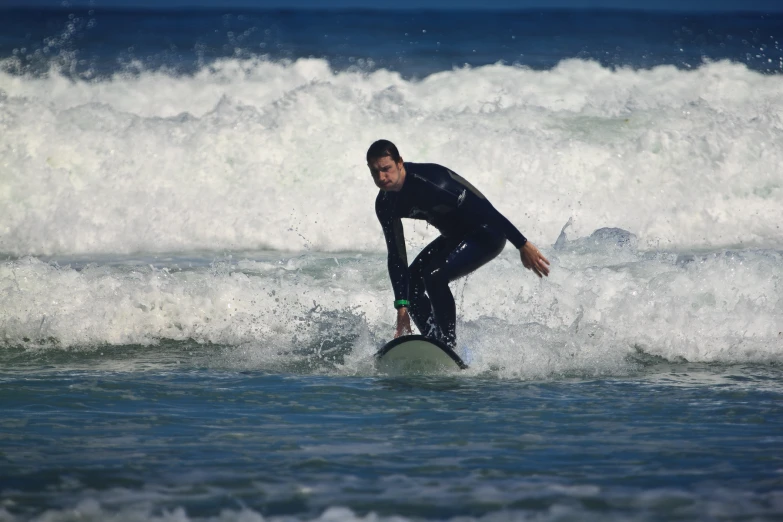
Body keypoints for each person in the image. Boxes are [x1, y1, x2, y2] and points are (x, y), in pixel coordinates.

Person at [368, 139, 550, 349]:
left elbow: (486, 210)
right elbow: (396, 255)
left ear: (400, 163)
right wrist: (402, 307)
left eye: (386, 169)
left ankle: (447, 345)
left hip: (486, 234)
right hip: (454, 237)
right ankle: (434, 343)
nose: (381, 177)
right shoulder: (385, 204)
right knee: (411, 282)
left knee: (434, 275)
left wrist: (521, 243)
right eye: (375, 172)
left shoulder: (433, 183)